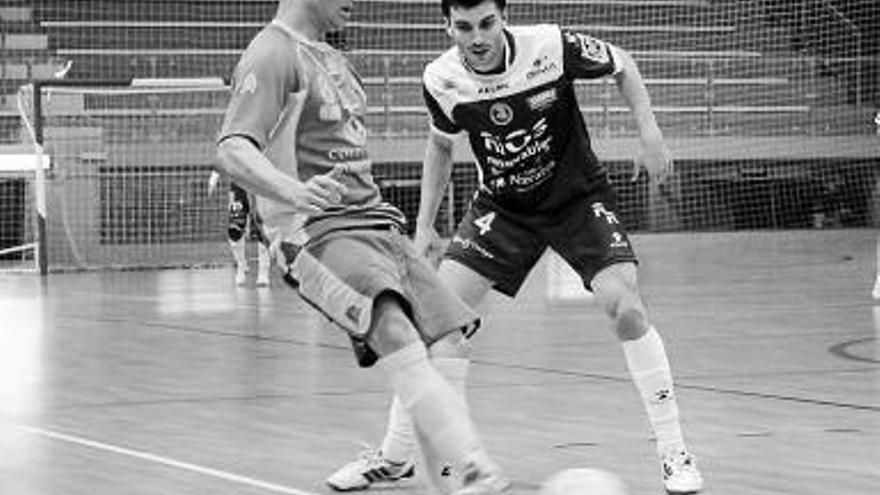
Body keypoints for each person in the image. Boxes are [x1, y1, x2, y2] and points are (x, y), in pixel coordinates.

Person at [326, 1, 704, 494]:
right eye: (464, 27)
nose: (477, 38)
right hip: (502, 209)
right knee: (431, 326)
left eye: (487, 23)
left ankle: (674, 451)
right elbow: (440, 146)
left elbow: (623, 64)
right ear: (447, 26)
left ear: (503, 17)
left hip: (576, 198)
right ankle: (397, 458)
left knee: (626, 307)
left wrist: (649, 132)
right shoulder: (440, 77)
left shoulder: (549, 46)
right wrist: (424, 225)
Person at [214, 1, 511, 495]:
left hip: (376, 222)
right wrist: (293, 192)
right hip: (315, 231)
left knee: (451, 342)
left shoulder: (335, 58)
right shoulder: (272, 53)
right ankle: (472, 466)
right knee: (395, 330)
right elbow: (231, 148)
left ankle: (442, 477)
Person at [208, 171, 271, 286]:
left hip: (261, 187)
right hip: (239, 188)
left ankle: (263, 272)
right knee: (234, 230)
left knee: (262, 230)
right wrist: (213, 180)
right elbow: (223, 161)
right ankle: (241, 266)